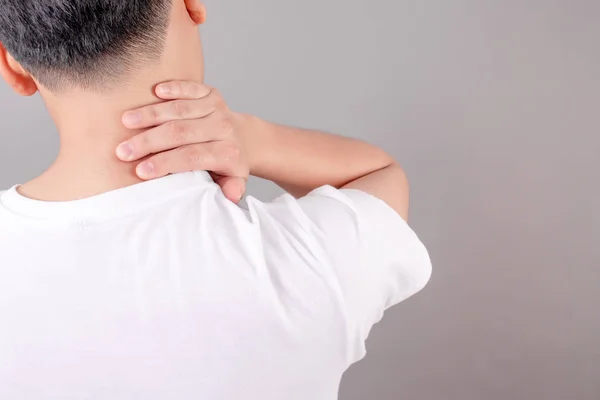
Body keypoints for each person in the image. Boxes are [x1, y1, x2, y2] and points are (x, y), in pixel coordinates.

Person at [0, 1, 432, 399]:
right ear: (191, 5)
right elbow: (380, 174)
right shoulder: (305, 263)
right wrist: (250, 138)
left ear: (12, 66)